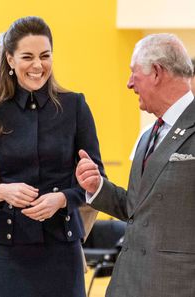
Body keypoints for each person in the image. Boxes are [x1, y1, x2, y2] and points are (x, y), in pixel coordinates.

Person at [0, 16, 104, 297]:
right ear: (9, 60)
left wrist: (62, 199)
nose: (38, 66)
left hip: (64, 249)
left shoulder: (75, 106)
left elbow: (97, 184)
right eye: (27, 57)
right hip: (9, 253)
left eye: (45, 56)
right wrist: (2, 191)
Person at [76, 33, 195, 297]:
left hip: (177, 285)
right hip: (128, 283)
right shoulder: (147, 135)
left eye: (134, 73)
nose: (129, 83)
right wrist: (98, 187)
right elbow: (137, 209)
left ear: (156, 72)